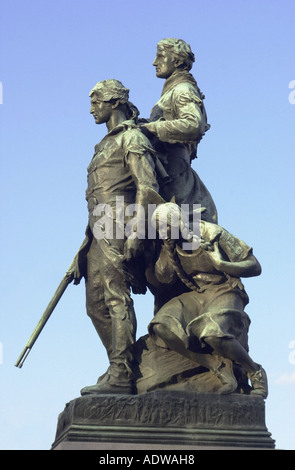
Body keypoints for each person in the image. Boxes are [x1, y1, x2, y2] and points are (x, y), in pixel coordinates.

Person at [72, 79, 159, 395]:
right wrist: (80, 254)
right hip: (98, 231)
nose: (92, 109)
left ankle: (121, 375)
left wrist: (138, 231)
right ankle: (121, 366)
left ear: (113, 102)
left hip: (120, 226)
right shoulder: (104, 145)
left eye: (96, 102)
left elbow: (147, 187)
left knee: (114, 297)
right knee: (95, 305)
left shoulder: (132, 138)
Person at [146, 203, 268, 397]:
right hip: (198, 294)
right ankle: (216, 366)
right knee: (162, 325)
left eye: (165, 228)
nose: (163, 234)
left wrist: (222, 264)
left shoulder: (211, 232)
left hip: (225, 290)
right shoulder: (170, 246)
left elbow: (255, 266)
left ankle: (254, 371)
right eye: (159, 230)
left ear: (178, 222)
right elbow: (163, 279)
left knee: (212, 333)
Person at [140, 38, 217, 224]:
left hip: (174, 177)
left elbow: (193, 125)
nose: (154, 62)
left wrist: (151, 127)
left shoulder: (182, 89)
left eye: (160, 56)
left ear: (175, 60)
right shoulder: (172, 90)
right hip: (168, 170)